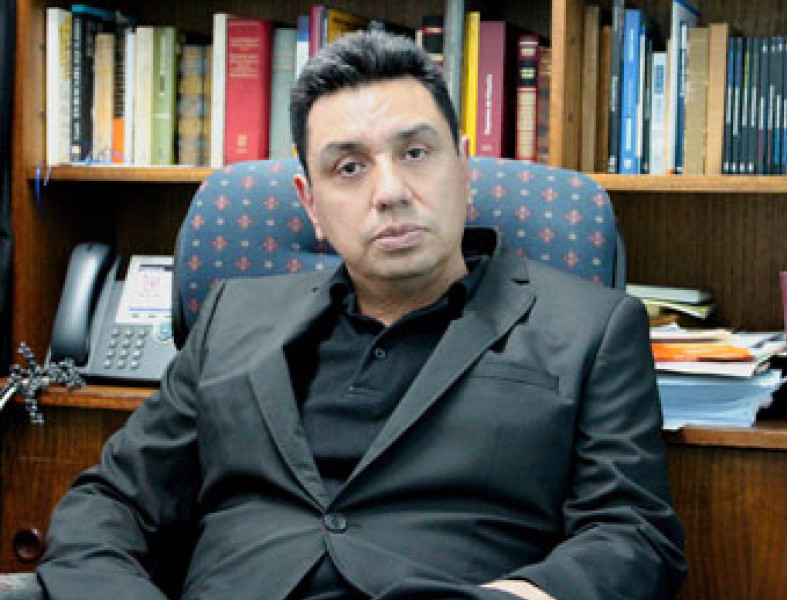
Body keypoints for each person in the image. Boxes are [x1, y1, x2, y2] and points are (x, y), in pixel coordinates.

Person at [38, 31, 685, 600]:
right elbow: (110, 503)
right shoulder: (232, 317)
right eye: (349, 167)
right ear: (311, 202)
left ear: (463, 167)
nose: (390, 192)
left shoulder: (591, 328)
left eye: (415, 153)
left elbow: (633, 533)